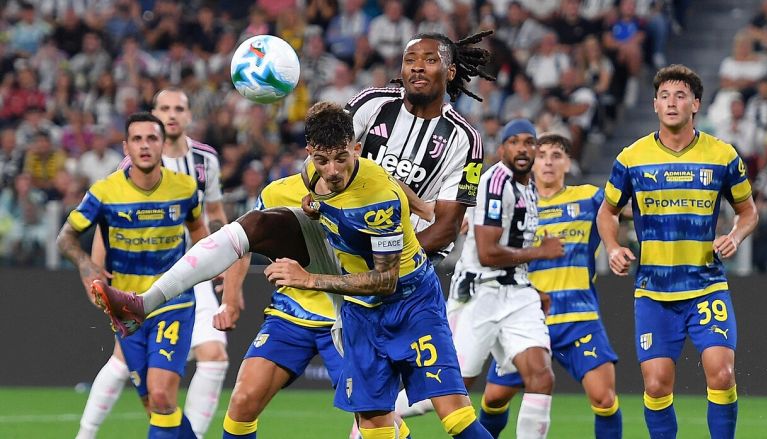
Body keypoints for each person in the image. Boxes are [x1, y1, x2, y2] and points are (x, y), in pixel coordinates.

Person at [93, 102, 492, 439]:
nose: (332, 170)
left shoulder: (377, 199)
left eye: (341, 159)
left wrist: (309, 279)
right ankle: (144, 303)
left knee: (455, 416)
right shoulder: (308, 176)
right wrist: (423, 207)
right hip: (355, 311)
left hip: (407, 300)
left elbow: (385, 281)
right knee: (372, 423)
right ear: (310, 153)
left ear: (356, 149)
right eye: (322, 159)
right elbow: (351, 177)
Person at [596, 64, 759, 439]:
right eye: (664, 96)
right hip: (654, 292)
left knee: (722, 374)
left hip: (706, 286)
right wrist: (613, 245)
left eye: (680, 96)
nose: (671, 103)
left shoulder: (721, 155)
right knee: (656, 385)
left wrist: (735, 236)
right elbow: (607, 211)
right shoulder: (632, 158)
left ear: (696, 104)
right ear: (654, 104)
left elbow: (748, 211)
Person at [77, 88, 236, 439]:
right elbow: (109, 221)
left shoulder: (205, 159)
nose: (172, 114)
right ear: (155, 115)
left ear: (189, 115)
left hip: (193, 272)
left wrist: (223, 260)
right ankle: (85, 434)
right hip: (144, 277)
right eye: (164, 108)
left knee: (214, 355)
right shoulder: (134, 162)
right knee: (129, 368)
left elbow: (214, 213)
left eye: (179, 108)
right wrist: (97, 267)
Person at [58, 112, 206, 438]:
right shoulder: (105, 191)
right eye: (137, 139)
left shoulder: (185, 188)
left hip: (172, 301)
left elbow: (199, 231)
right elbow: (66, 237)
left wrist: (209, 268)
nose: (145, 145)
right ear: (126, 147)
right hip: (126, 310)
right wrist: (86, 265)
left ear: (163, 145)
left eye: (152, 138)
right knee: (154, 405)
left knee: (162, 395)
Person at [477, 133, 622, 439]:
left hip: (578, 317)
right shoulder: (512, 201)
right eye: (541, 155)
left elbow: (623, 210)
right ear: (531, 162)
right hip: (526, 318)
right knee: (493, 399)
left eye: (556, 156)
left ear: (568, 163)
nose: (548, 162)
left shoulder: (589, 198)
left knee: (605, 399)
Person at [444, 119, 562, 439]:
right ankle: (378, 421)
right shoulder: (495, 182)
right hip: (478, 292)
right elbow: (487, 253)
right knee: (450, 388)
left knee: (541, 377)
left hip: (516, 293)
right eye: (514, 142)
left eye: (528, 142)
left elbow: (511, 246)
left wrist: (530, 287)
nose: (522, 149)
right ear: (501, 149)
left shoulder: (530, 187)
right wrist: (541, 252)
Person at [346, 31, 494, 265]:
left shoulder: (466, 140)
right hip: (348, 236)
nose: (417, 67)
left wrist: (390, 258)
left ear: (450, 72)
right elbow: (325, 156)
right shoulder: (370, 102)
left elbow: (447, 227)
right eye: (410, 60)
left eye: (430, 60)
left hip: (413, 257)